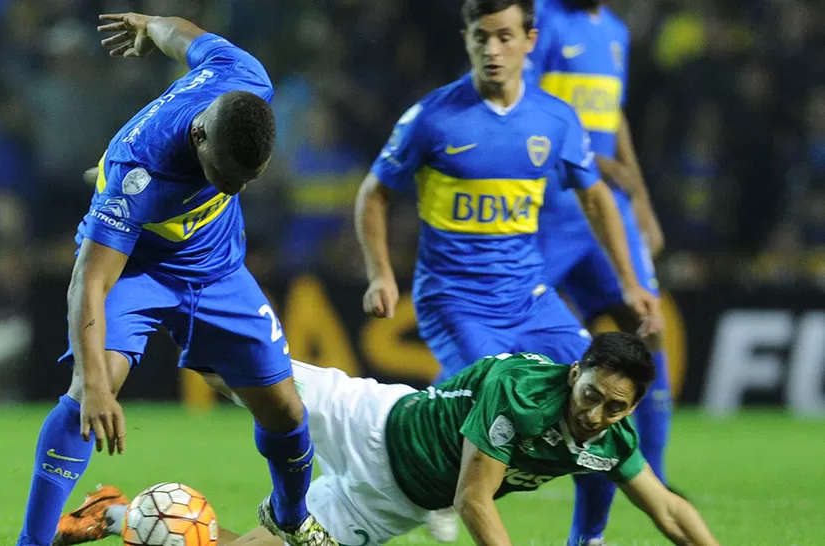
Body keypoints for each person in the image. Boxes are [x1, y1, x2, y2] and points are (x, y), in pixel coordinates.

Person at [15, 13, 334, 546]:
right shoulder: (139, 172)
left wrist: (149, 24)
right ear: (201, 133)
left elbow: (183, 36)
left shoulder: (245, 76)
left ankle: (290, 516)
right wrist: (96, 385)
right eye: (225, 175)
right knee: (91, 390)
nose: (233, 189)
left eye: (245, 180)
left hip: (216, 272)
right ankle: (34, 540)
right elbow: (88, 284)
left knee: (284, 409)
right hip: (137, 270)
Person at [352, 0, 663, 540]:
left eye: (503, 37)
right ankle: (445, 486)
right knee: (508, 396)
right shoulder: (433, 117)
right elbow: (373, 195)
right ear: (466, 39)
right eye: (481, 38)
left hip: (531, 297)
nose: (492, 50)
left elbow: (596, 199)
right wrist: (381, 272)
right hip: (454, 301)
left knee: (600, 409)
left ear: (529, 39)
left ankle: (586, 538)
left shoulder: (554, 119)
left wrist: (631, 281)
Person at [54, 332, 720, 546]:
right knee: (242, 376)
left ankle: (111, 513)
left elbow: (667, 509)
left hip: (389, 505)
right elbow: (475, 500)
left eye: (615, 408)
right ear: (573, 374)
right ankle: (152, 307)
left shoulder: (610, 438)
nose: (597, 414)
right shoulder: (521, 390)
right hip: (372, 423)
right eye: (590, 396)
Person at [525, 1, 671, 543]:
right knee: (509, 331)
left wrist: (642, 202)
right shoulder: (538, 19)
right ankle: (445, 455)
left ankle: (651, 479)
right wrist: (587, 156)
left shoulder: (614, 31)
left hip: (609, 211)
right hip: (551, 209)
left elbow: (615, 115)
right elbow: (525, 100)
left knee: (648, 330)